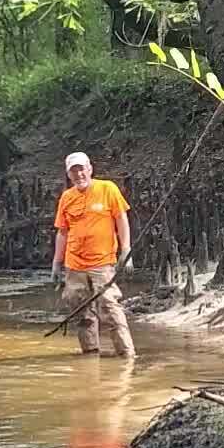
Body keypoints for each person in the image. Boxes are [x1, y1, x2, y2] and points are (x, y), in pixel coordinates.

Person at [50, 151, 135, 358]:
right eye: (74, 171)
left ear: (90, 169)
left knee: (110, 308)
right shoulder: (67, 197)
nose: (79, 174)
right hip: (74, 266)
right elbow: (62, 232)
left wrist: (126, 250)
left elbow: (121, 219)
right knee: (80, 312)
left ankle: (127, 354)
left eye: (81, 169)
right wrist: (56, 263)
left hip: (102, 263)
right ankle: (90, 355)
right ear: (68, 175)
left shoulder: (107, 189)